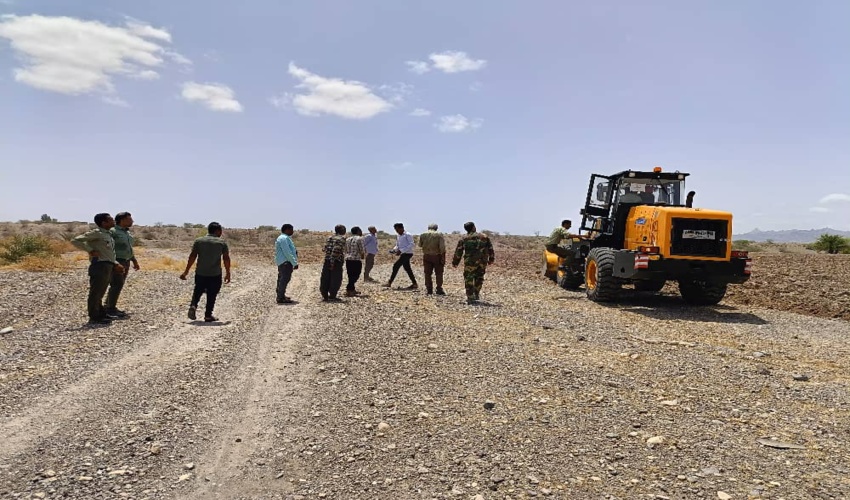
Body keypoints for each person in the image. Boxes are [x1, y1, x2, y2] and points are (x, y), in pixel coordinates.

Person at [71, 213, 125, 325]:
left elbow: (108, 252)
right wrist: (90, 250)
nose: (113, 221)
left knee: (101, 292)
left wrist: (115, 264)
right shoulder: (97, 233)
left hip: (108, 265)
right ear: (104, 223)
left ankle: (101, 314)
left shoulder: (107, 234)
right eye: (110, 220)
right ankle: (94, 316)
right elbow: (75, 240)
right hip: (99, 265)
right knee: (96, 292)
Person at [180, 222, 231, 322]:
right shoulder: (221, 243)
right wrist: (228, 273)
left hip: (200, 272)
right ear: (218, 231)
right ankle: (208, 315)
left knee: (198, 290)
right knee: (212, 293)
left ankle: (193, 305)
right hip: (215, 273)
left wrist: (186, 271)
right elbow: (226, 259)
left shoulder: (199, 241)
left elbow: (192, 256)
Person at [104, 211, 140, 318]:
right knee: (117, 284)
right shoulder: (113, 231)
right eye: (129, 219)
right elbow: (107, 246)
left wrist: (134, 260)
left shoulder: (126, 233)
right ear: (122, 220)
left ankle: (108, 306)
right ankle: (110, 309)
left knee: (118, 284)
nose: (132, 221)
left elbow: (129, 248)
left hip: (126, 261)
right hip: (116, 261)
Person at [452, 221, 495, 304]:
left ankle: (470, 296)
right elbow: (490, 249)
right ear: (473, 227)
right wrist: (491, 259)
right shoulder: (484, 237)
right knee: (479, 277)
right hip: (482, 261)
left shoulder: (464, 238)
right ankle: (476, 293)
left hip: (470, 262)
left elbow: (459, 251)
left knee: (469, 278)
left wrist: (455, 262)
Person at [383, 222, 418, 290]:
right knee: (407, 268)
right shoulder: (398, 236)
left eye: (397, 230)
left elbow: (412, 244)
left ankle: (389, 282)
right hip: (403, 254)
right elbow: (397, 245)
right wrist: (394, 250)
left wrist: (401, 250)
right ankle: (414, 284)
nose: (397, 231)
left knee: (396, 266)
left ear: (402, 228)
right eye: (396, 230)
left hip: (408, 253)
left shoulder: (408, 235)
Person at [320, 224, 347, 302]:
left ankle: (325, 295)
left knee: (325, 278)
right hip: (336, 261)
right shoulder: (341, 239)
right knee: (336, 279)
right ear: (341, 230)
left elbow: (325, 249)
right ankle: (332, 296)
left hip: (327, 260)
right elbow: (336, 251)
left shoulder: (330, 237)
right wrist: (332, 263)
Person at [419, 223, 446, 295]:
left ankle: (429, 289)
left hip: (426, 256)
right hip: (437, 256)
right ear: (436, 228)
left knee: (427, 273)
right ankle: (439, 289)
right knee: (439, 273)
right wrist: (443, 258)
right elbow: (442, 248)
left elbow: (420, 245)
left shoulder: (423, 234)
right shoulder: (439, 234)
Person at [275, 223, 298, 304]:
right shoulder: (284, 239)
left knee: (282, 279)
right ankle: (280, 298)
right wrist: (294, 263)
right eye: (291, 230)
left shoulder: (284, 238)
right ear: (287, 230)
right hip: (285, 262)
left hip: (283, 262)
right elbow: (287, 252)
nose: (292, 231)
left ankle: (281, 295)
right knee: (284, 280)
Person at [344, 226, 366, 297]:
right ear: (358, 231)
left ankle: (352, 289)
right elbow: (362, 249)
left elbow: (345, 249)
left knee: (350, 275)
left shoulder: (348, 239)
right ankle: (349, 289)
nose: (361, 232)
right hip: (356, 259)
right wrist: (362, 256)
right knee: (356, 275)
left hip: (348, 259)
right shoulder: (360, 238)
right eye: (360, 230)